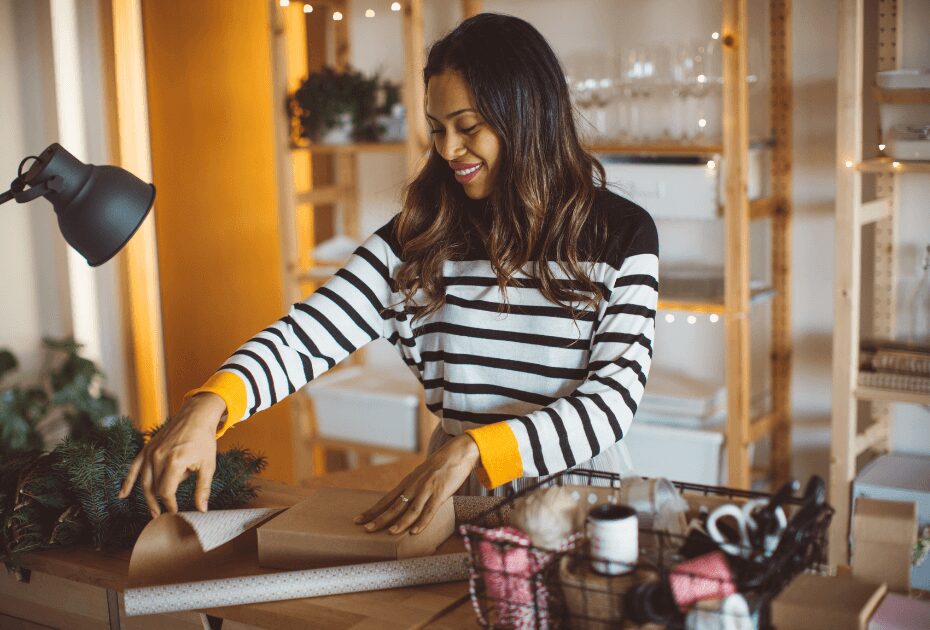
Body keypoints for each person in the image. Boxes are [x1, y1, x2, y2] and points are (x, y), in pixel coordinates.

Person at [118, 12, 658, 538]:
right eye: (437, 129)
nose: (448, 150)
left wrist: (473, 449)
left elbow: (610, 402)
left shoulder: (621, 235)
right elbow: (307, 336)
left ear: (528, 116)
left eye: (468, 127)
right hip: (456, 496)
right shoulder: (420, 236)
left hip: (582, 504)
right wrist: (208, 404)